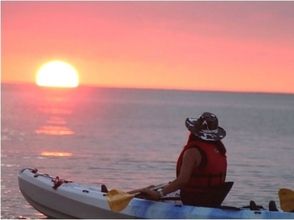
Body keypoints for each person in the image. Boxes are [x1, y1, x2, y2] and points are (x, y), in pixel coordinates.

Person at [140, 112, 230, 207]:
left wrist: (159, 194)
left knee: (144, 193)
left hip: (193, 200)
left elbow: (183, 180)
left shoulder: (193, 151)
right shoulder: (219, 150)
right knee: (152, 188)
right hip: (213, 200)